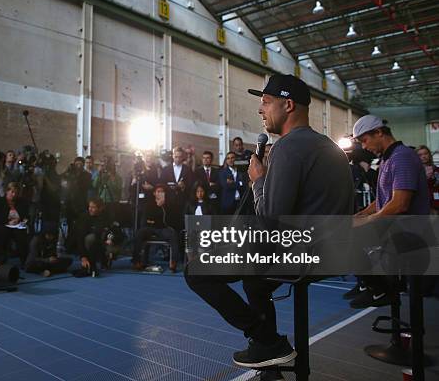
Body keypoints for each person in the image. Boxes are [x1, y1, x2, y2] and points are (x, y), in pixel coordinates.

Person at [186, 74, 354, 373]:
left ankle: (267, 340)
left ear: (287, 105)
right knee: (254, 280)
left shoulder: (288, 148)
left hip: (302, 256)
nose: (260, 110)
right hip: (333, 252)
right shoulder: (329, 146)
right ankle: (268, 355)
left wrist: (258, 180)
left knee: (196, 271)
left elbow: (269, 220)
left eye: (265, 103)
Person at [347, 116, 431, 308]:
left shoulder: (401, 157)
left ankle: (380, 289)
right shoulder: (388, 158)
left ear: (379, 132)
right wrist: (363, 214)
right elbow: (384, 199)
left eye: (365, 141)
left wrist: (367, 222)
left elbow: (400, 203)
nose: (364, 147)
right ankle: (372, 285)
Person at [132, 185, 180, 272]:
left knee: (173, 234)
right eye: (158, 191)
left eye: (162, 191)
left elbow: (171, 220)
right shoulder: (149, 204)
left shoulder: (169, 205)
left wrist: (164, 206)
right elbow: (147, 219)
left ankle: (173, 261)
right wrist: (153, 220)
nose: (160, 193)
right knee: (139, 233)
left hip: (162, 229)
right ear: (154, 193)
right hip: (150, 228)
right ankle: (136, 261)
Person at [75, 198, 122, 275]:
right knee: (90, 238)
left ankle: (106, 259)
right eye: (89, 207)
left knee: (115, 247)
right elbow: (80, 238)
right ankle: (91, 261)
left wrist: (112, 240)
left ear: (101, 208)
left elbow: (120, 234)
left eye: (93, 207)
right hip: (93, 243)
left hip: (106, 243)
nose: (90, 209)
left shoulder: (109, 217)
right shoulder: (84, 218)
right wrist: (83, 257)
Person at [0, 182, 31, 265]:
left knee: (21, 235)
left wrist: (22, 221)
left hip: (18, 226)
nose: (14, 194)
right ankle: (0, 259)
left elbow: (27, 217)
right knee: (2, 233)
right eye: (12, 192)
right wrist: (7, 222)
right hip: (2, 225)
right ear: (7, 191)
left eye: (16, 192)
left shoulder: (22, 202)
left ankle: (25, 261)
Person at [417, 145, 438, 214]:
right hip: (422, 204)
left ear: (429, 154)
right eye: (420, 155)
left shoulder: (436, 169)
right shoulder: (415, 172)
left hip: (436, 203)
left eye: (426, 153)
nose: (423, 156)